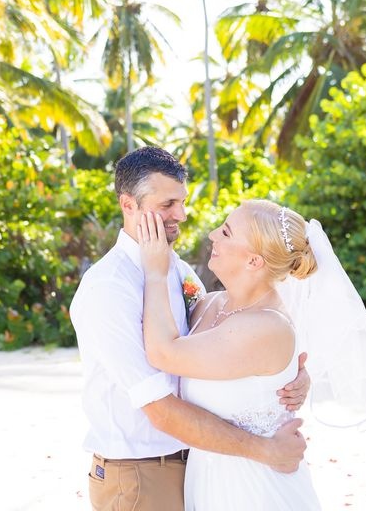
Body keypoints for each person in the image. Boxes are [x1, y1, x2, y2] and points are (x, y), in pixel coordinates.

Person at [69, 147, 311, 511]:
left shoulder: (176, 269)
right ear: (128, 205)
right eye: (167, 204)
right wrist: (267, 450)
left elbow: (225, 337)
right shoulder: (109, 287)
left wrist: (287, 376)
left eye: (182, 202)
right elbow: (160, 408)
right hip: (140, 474)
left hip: (197, 464)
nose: (181, 215)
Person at [139, 199, 366, 510]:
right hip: (208, 481)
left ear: (254, 261)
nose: (213, 235)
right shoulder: (209, 304)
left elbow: (164, 353)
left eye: (226, 232)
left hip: (255, 490)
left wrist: (155, 272)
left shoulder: (267, 326)